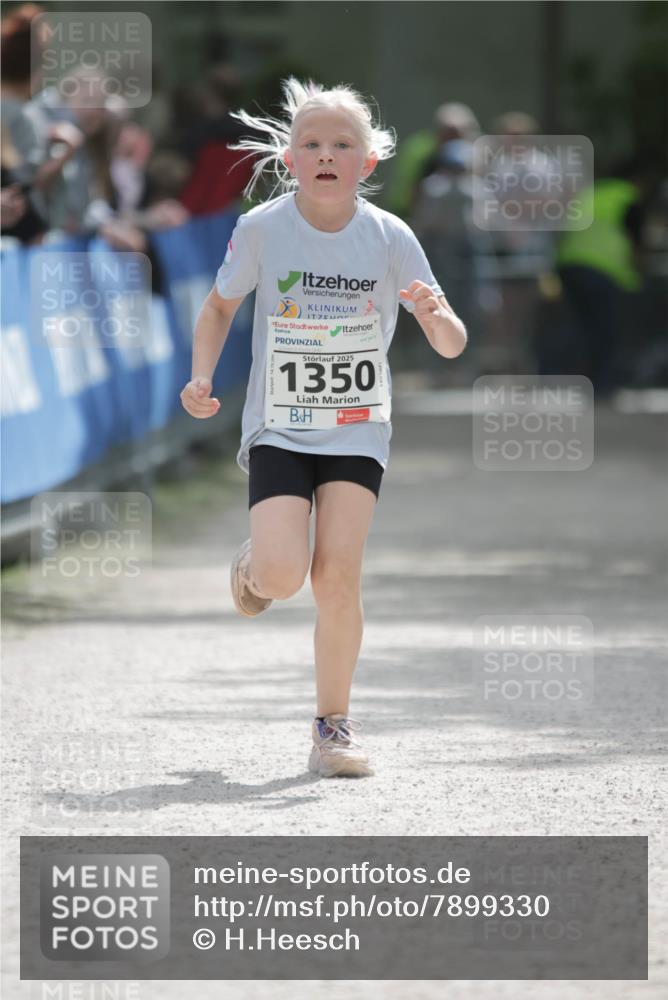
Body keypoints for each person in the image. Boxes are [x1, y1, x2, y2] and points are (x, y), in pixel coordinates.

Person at [179, 78, 466, 778]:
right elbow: (218, 308)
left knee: (337, 577)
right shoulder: (263, 228)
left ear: (368, 161)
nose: (326, 154)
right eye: (311, 144)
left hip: (358, 428)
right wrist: (201, 377)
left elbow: (452, 342)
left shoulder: (390, 237)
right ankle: (255, 566)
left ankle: (332, 728)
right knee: (283, 576)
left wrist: (436, 319)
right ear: (290, 159)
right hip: (280, 426)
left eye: (342, 144)